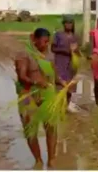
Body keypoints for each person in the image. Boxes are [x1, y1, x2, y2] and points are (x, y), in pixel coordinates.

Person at [15, 28, 67, 168]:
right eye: (44, 41)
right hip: (28, 96)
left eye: (48, 41)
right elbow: (22, 77)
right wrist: (36, 82)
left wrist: (63, 82)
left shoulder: (49, 55)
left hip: (47, 95)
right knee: (31, 130)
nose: (46, 44)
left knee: (51, 128)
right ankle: (38, 159)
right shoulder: (24, 55)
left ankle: (51, 159)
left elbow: (54, 75)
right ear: (34, 40)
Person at [51, 15, 81, 113]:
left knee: (70, 86)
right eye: (67, 23)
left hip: (71, 64)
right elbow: (53, 48)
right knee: (60, 84)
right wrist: (64, 51)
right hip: (60, 62)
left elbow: (78, 51)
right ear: (64, 24)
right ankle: (59, 106)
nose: (68, 25)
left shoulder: (75, 36)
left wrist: (76, 52)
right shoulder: (58, 35)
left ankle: (66, 105)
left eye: (70, 23)